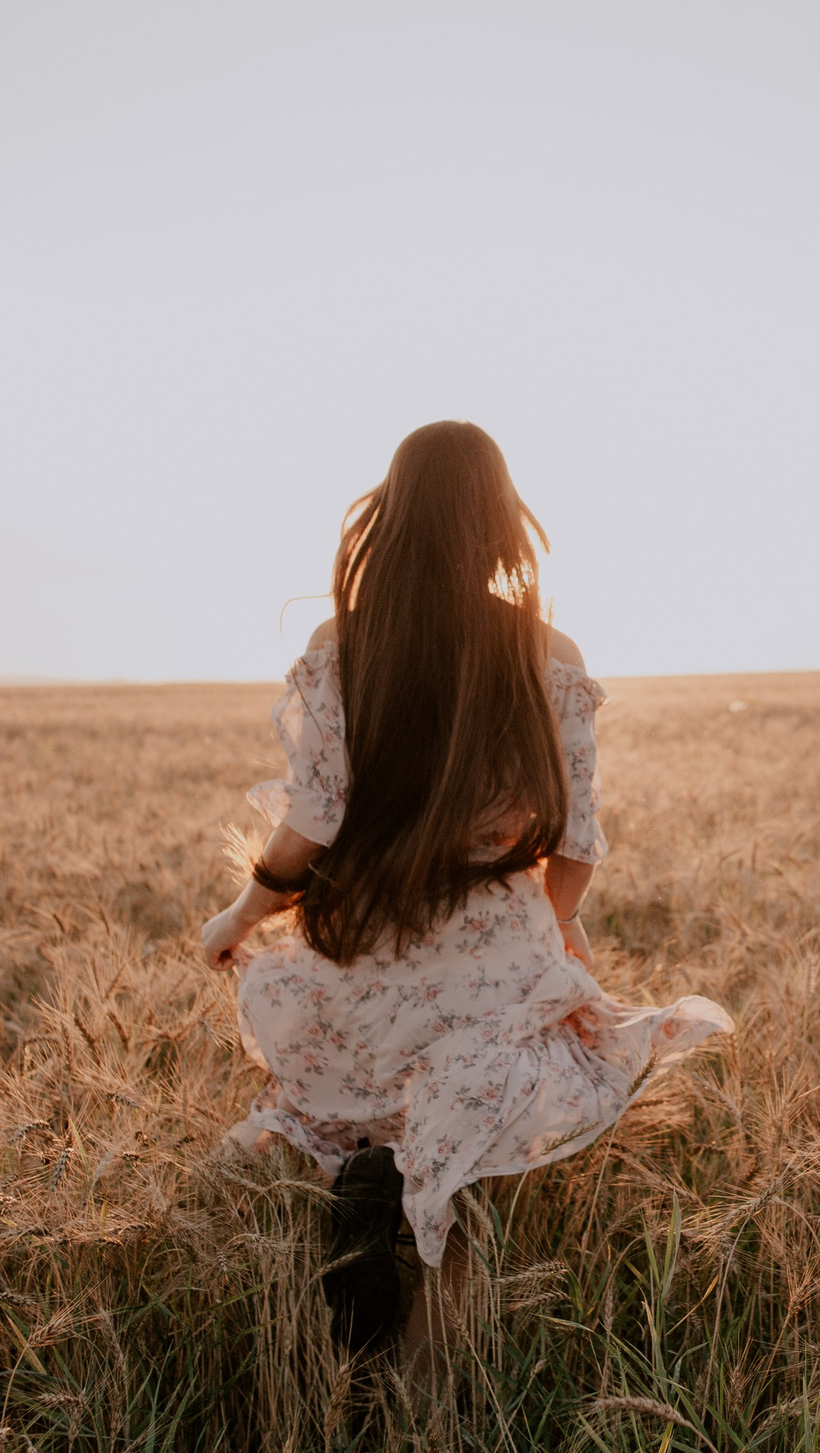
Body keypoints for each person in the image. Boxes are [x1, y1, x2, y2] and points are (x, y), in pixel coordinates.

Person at [198, 420, 731, 1361]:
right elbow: (577, 840)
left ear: (391, 519)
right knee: (470, 1178)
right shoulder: (548, 652)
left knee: (328, 1109)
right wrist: (553, 933)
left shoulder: (343, 645)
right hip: (495, 956)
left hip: (362, 943)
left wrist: (242, 914)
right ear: (499, 522)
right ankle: (415, 1419)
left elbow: (313, 823)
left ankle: (345, 1213)